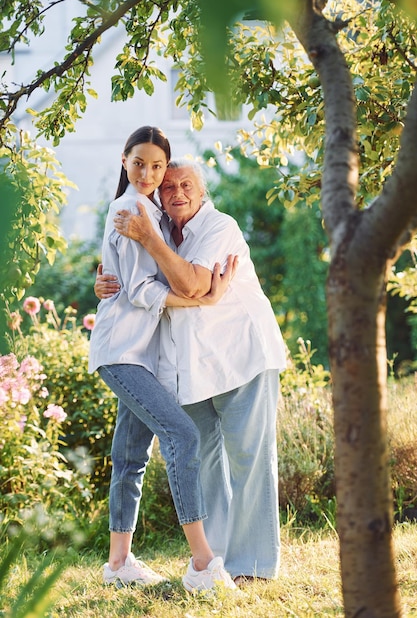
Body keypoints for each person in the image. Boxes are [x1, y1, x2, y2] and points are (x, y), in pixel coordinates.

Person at [96, 157, 287, 585]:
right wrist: (107, 280)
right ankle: (214, 561)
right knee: (203, 464)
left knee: (249, 460)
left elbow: (191, 286)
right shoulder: (161, 231)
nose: (177, 192)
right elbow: (134, 279)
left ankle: (253, 567)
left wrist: (147, 238)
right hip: (192, 370)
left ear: (203, 194)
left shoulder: (220, 227)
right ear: (159, 195)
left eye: (187, 185)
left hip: (242, 359)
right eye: (169, 187)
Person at [88, 126, 237, 592]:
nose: (149, 173)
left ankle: (118, 564)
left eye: (158, 165)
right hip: (122, 353)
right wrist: (202, 299)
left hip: (142, 356)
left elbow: (121, 277)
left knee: (131, 456)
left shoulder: (153, 210)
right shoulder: (130, 209)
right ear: (123, 160)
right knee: (182, 434)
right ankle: (201, 561)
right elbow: (136, 289)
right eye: (140, 163)